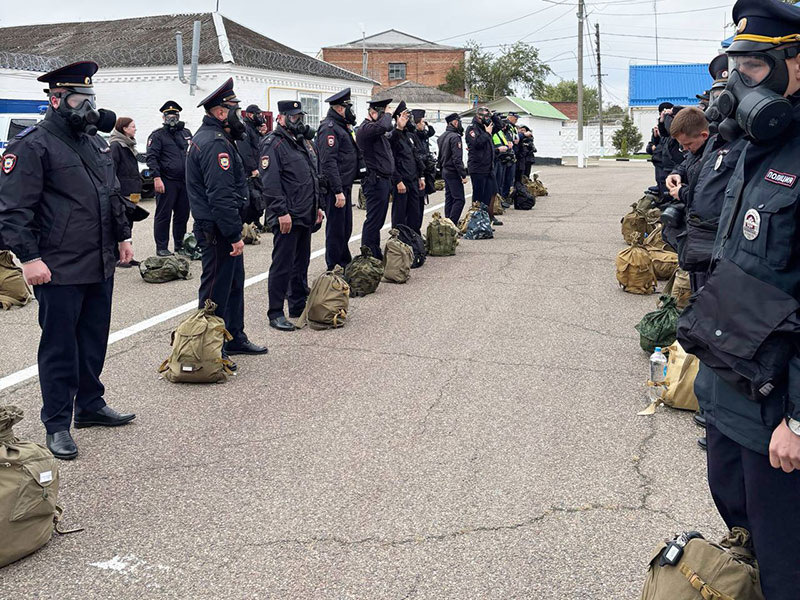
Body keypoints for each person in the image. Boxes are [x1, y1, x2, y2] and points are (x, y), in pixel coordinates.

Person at [680, 1, 800, 596]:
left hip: (778, 406)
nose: (735, 81)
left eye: (754, 66)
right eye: (734, 64)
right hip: (730, 383)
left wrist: (798, 419)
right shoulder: (757, 146)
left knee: (785, 561)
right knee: (742, 526)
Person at [0, 61, 136, 460]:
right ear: (57, 100)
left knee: (93, 339)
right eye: (80, 100)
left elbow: (111, 195)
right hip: (56, 265)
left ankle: (90, 406)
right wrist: (29, 259)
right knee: (60, 346)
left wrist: (123, 236)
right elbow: (13, 210)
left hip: (99, 259)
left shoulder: (95, 142)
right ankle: (57, 423)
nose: (88, 108)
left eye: (91, 99)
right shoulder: (32, 144)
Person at [186, 78, 267, 365]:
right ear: (220, 112)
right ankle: (208, 346)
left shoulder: (222, 139)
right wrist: (234, 234)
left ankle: (234, 337)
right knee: (215, 288)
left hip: (225, 227)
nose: (239, 115)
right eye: (234, 109)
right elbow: (219, 195)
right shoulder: (213, 143)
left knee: (233, 284)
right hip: (217, 230)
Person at [260, 100, 324, 332]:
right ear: (281, 118)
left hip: (305, 212)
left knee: (301, 263)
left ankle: (297, 305)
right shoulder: (273, 144)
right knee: (282, 265)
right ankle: (275, 312)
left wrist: (317, 206)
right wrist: (281, 212)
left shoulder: (303, 142)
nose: (298, 121)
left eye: (300, 117)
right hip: (287, 216)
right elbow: (270, 183)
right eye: (293, 117)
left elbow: (312, 176)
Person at [315, 87, 360, 271]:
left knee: (345, 228)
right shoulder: (329, 129)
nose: (350, 111)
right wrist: (338, 191)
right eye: (347, 107)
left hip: (345, 186)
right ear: (340, 109)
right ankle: (333, 265)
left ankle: (343, 260)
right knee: (335, 229)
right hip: (336, 189)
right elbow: (329, 162)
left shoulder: (342, 128)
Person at [146, 101, 193, 256]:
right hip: (166, 181)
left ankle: (180, 246)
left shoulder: (185, 133)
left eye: (175, 116)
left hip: (184, 181)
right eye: (169, 116)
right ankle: (161, 247)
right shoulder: (157, 135)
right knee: (163, 215)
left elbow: (192, 155)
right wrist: (156, 178)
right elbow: (152, 158)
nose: (172, 118)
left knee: (182, 215)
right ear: (164, 117)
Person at [662, 107, 710, 251]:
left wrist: (681, 192)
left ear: (704, 135)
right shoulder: (697, 149)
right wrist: (676, 173)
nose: (686, 149)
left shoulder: (715, 156)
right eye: (682, 146)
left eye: (688, 144)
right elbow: (686, 162)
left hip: (705, 230)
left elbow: (708, 196)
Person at [356, 98, 394, 259]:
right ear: (373, 113)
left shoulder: (375, 129)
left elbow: (388, 128)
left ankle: (374, 252)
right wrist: (388, 114)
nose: (386, 116)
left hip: (382, 180)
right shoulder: (366, 129)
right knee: (373, 220)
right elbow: (385, 125)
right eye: (382, 113)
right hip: (374, 181)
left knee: (378, 220)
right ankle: (369, 253)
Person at [109, 116, 146, 268]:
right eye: (132, 126)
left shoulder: (129, 145)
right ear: (124, 128)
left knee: (129, 224)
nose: (135, 129)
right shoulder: (116, 146)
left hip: (133, 191)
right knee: (120, 224)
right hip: (122, 191)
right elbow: (112, 170)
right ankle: (117, 257)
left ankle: (127, 255)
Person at [388, 100, 425, 231]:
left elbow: (416, 157)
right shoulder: (393, 135)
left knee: (414, 213)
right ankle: (400, 241)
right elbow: (391, 160)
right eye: (405, 116)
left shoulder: (409, 135)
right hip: (402, 182)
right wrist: (398, 181)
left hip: (413, 180)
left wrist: (421, 176)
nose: (408, 119)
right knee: (400, 215)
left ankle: (414, 240)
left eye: (408, 117)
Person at [236, 104, 266, 229]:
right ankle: (248, 223)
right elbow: (245, 151)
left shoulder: (254, 129)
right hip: (249, 171)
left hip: (257, 167)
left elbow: (258, 147)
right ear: (249, 114)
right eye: (257, 114)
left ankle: (256, 220)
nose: (260, 117)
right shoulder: (245, 128)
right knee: (251, 197)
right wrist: (253, 168)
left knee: (258, 196)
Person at [465, 106, 496, 223]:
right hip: (478, 168)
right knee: (478, 196)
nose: (487, 119)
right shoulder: (472, 129)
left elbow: (499, 126)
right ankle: (476, 221)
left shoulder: (485, 127)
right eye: (485, 116)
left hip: (488, 168)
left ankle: (485, 219)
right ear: (478, 116)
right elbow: (477, 143)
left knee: (489, 194)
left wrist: (493, 116)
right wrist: (487, 134)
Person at [437, 112, 468, 224]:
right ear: (455, 122)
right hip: (453, 171)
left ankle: (447, 222)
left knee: (449, 198)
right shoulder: (455, 137)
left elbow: (440, 157)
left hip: (445, 170)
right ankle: (452, 223)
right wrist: (463, 174)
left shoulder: (442, 136)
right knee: (459, 199)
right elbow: (457, 159)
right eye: (458, 122)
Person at [412, 108, 437, 229]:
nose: (424, 124)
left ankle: (417, 230)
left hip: (424, 173)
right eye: (422, 122)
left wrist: (428, 125)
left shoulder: (422, 135)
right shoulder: (414, 136)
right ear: (416, 123)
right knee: (415, 208)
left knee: (420, 206)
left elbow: (431, 132)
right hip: (417, 175)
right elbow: (417, 155)